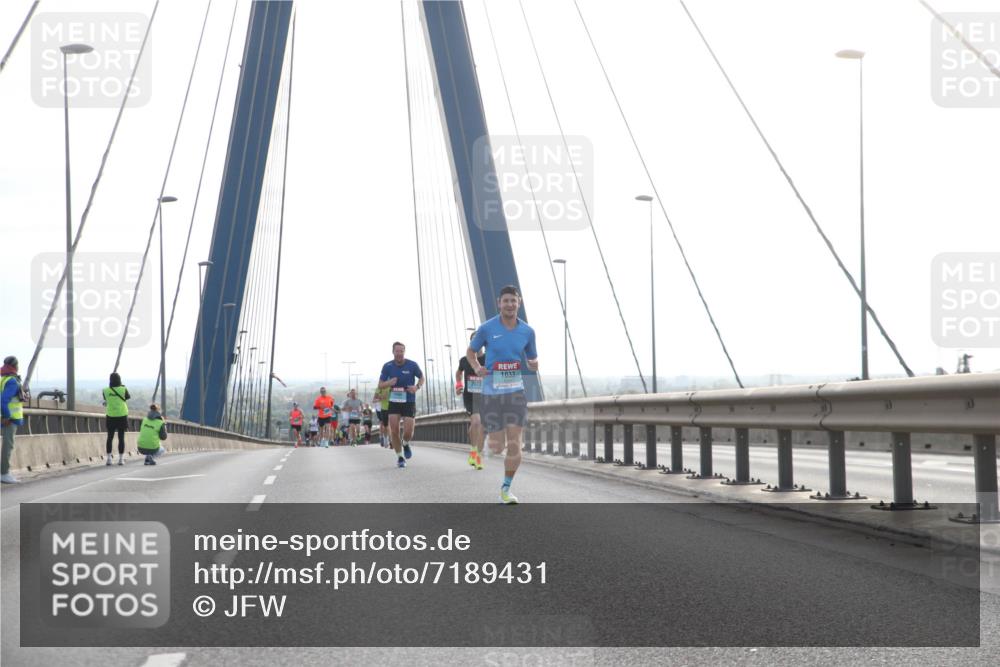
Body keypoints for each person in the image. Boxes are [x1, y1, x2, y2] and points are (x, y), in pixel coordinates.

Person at [468, 285, 538, 504]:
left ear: (519, 303)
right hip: (491, 394)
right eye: (505, 301)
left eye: (513, 301)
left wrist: (533, 364)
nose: (509, 304)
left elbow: (533, 360)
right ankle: (486, 445)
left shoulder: (527, 331)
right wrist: (477, 366)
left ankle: (506, 489)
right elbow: (471, 352)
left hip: (516, 393)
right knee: (497, 447)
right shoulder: (487, 328)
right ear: (499, 303)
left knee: (515, 443)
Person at [377, 342, 423, 467]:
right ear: (393, 352)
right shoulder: (387, 366)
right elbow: (380, 385)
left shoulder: (412, 365)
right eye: (397, 351)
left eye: (401, 351)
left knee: (409, 431)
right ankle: (400, 457)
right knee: (395, 431)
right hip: (394, 401)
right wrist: (389, 382)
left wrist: (417, 386)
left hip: (409, 400)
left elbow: (422, 377)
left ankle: (406, 443)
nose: (399, 353)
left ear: (404, 351)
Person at [456, 334, 486, 470]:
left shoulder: (489, 358)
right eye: (474, 340)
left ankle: (477, 455)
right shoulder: (464, 359)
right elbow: (459, 372)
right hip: (470, 396)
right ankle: (474, 453)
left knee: (481, 428)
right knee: (476, 422)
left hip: (486, 397)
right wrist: (458, 384)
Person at [1, 356, 26, 484]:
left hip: (6, 417)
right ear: (16, 367)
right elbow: (4, 400)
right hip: (9, 419)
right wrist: (7, 416)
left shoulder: (3, 379)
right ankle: (4, 473)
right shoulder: (12, 381)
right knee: (8, 445)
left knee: (7, 444)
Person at [102, 372, 131, 466]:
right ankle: (121, 459)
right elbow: (128, 397)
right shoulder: (123, 389)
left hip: (110, 415)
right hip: (122, 415)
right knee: (121, 438)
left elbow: (106, 399)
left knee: (109, 437)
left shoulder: (105, 390)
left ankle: (109, 459)